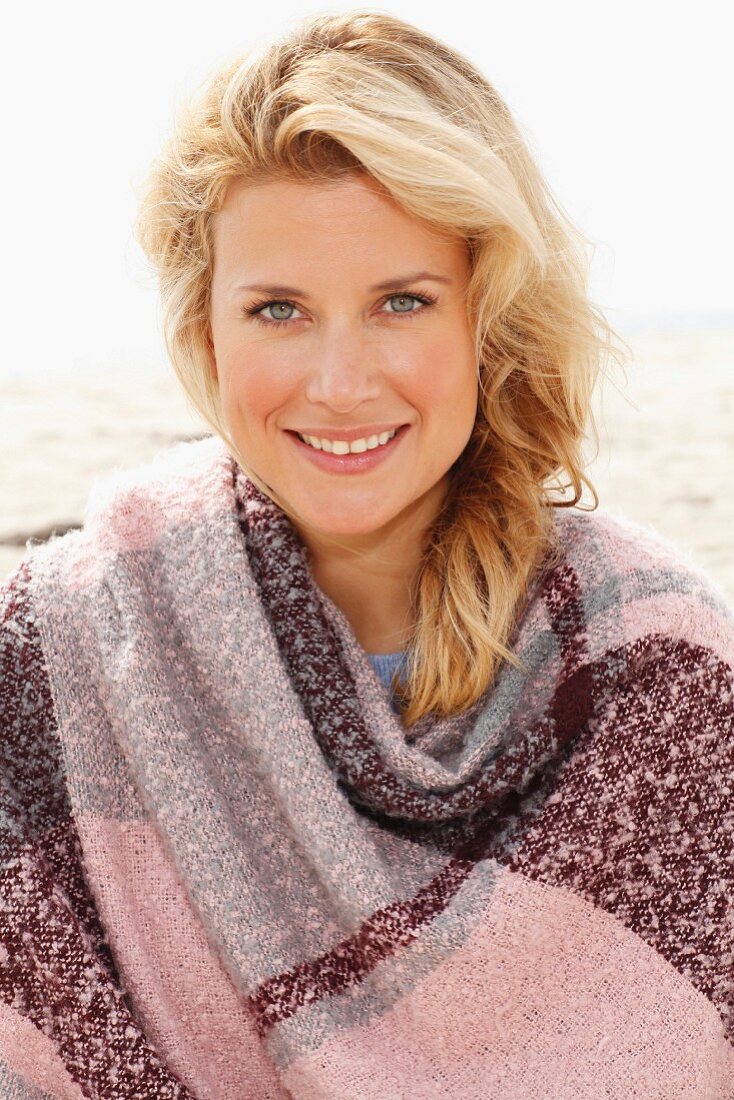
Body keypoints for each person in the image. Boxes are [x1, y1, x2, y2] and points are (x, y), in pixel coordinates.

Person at [0, 10, 732, 1098]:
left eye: (401, 301)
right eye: (278, 309)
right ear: (206, 330)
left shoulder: (653, 662)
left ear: (487, 319)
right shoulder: (52, 654)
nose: (339, 382)